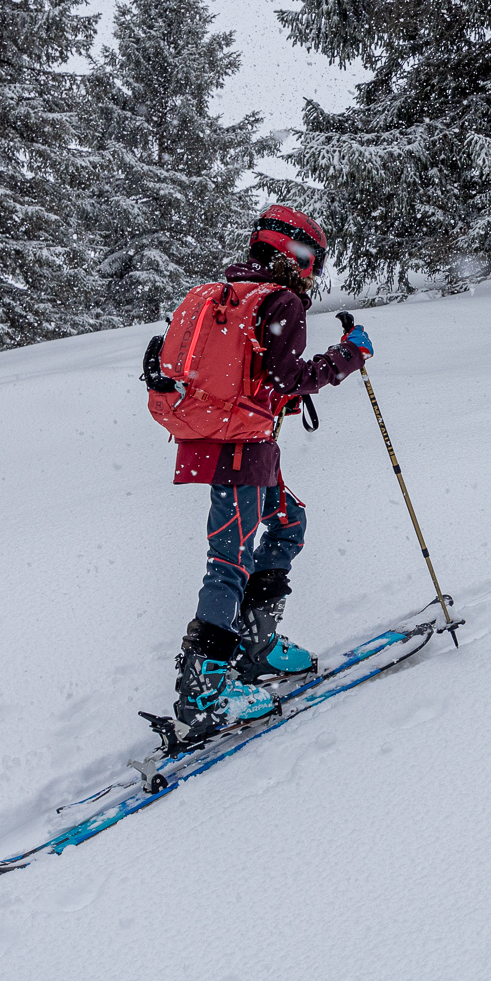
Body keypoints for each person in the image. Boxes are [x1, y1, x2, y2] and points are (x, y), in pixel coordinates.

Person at [163, 205, 373, 737]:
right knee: (229, 560)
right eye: (311, 260)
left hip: (235, 445)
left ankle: (254, 646)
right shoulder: (278, 302)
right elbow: (287, 380)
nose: (314, 273)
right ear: (291, 252)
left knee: (288, 522)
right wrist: (347, 357)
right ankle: (203, 690)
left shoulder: (224, 297)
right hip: (240, 450)